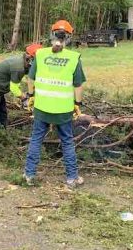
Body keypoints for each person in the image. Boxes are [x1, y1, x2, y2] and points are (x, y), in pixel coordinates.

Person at [24, 20, 86, 188]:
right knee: (67, 142)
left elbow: (31, 78)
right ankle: (72, 178)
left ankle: (29, 175)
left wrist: (30, 96)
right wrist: (77, 104)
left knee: (36, 139)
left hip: (42, 107)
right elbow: (78, 85)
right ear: (68, 38)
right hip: (63, 110)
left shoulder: (41, 54)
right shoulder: (73, 58)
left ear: (51, 35)